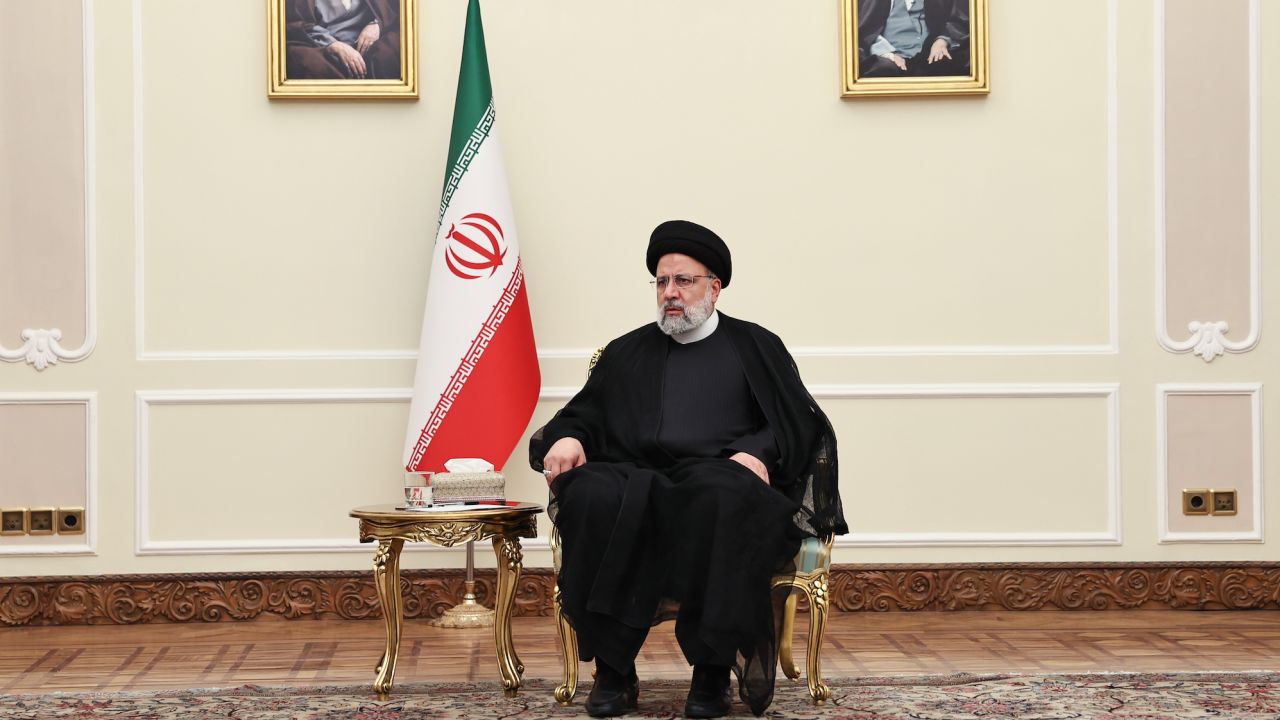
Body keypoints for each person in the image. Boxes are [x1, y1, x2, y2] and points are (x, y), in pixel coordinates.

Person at [530, 220, 846, 718]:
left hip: (717, 475)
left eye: (684, 281)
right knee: (590, 493)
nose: (670, 293)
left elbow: (795, 423)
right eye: (662, 282)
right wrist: (569, 436)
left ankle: (712, 673)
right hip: (634, 474)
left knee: (722, 494)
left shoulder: (756, 347)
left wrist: (758, 452)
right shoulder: (627, 351)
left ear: (714, 288)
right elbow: (584, 415)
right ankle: (614, 671)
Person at [286, 0, 401, 80]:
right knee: (308, 64)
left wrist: (376, 25)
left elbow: (388, 9)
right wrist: (334, 45)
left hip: (370, 44)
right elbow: (299, 23)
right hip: (325, 46)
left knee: (391, 50)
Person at [857, 0, 970, 77]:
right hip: (891, 57)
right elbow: (865, 30)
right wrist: (887, 54)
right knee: (883, 70)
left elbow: (958, 19)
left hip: (928, 55)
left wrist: (942, 40)